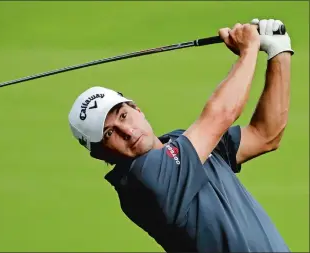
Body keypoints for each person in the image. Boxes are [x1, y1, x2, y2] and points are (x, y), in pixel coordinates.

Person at [68, 18, 294, 252]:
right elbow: (221, 114)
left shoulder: (181, 143)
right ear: (99, 153)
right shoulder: (143, 180)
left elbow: (265, 135)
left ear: (137, 109)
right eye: (108, 133)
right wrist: (248, 51)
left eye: (123, 115)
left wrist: (279, 51)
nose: (127, 131)